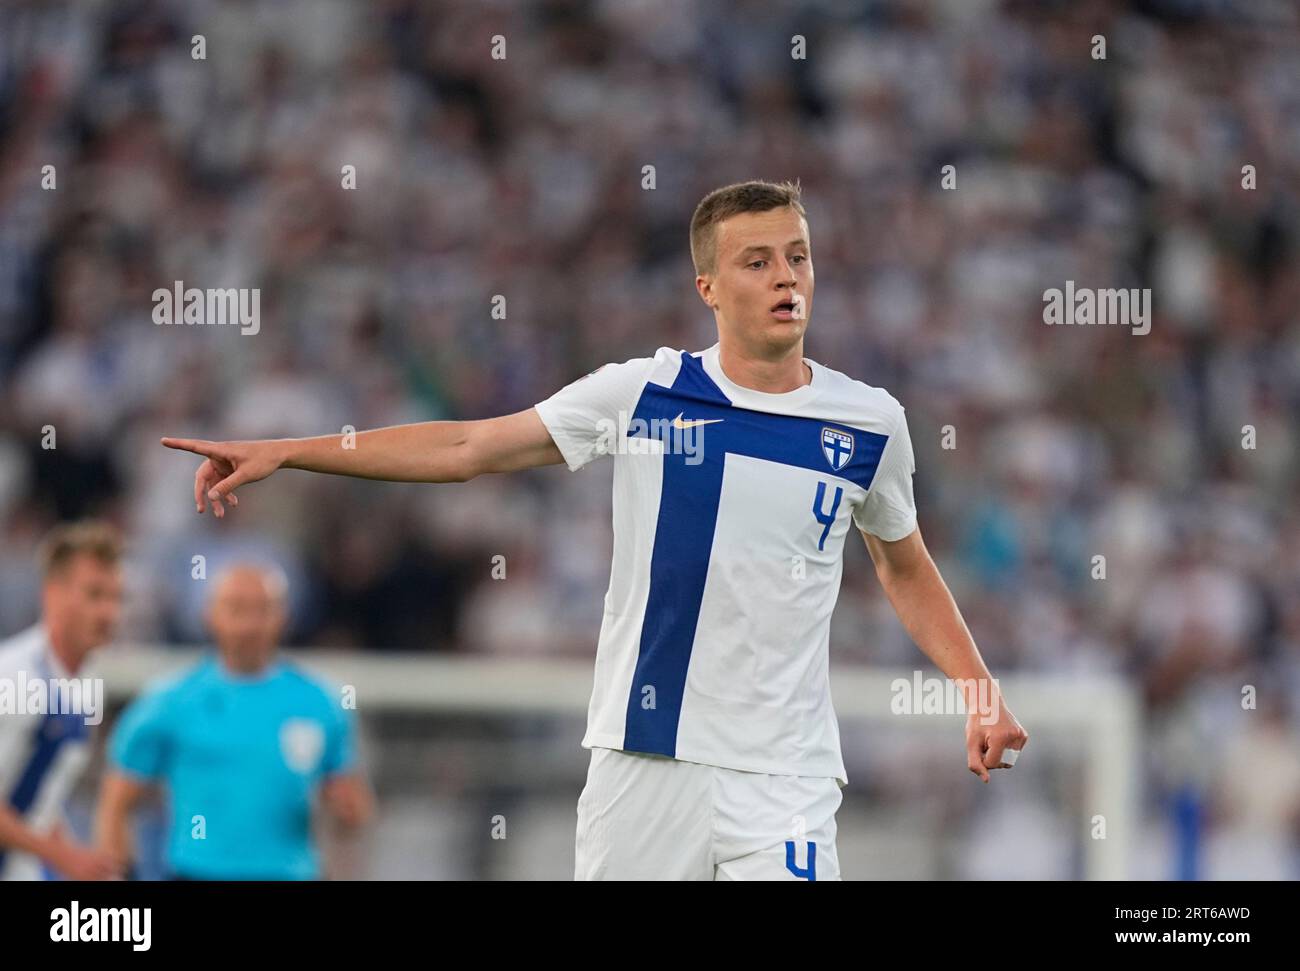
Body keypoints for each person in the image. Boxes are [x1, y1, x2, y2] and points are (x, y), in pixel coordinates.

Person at [159, 179, 1027, 880]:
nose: (785, 278)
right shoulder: (643, 393)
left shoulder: (869, 422)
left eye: (797, 257)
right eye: (757, 261)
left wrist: (978, 688)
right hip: (644, 758)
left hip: (786, 771)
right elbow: (468, 445)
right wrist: (293, 450)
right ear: (709, 288)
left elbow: (903, 563)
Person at [95, 564, 372, 880]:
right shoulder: (171, 701)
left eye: (262, 609)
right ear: (210, 614)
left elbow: (352, 805)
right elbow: (116, 800)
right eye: (237, 609)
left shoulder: (321, 703)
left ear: (284, 616)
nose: (250, 625)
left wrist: (348, 812)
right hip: (197, 873)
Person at [0, 520, 125, 881]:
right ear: (52, 593)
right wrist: (62, 856)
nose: (109, 613)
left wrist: (80, 861)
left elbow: (35, 800)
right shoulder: (16, 679)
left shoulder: (83, 685)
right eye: (94, 595)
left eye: (116, 597)